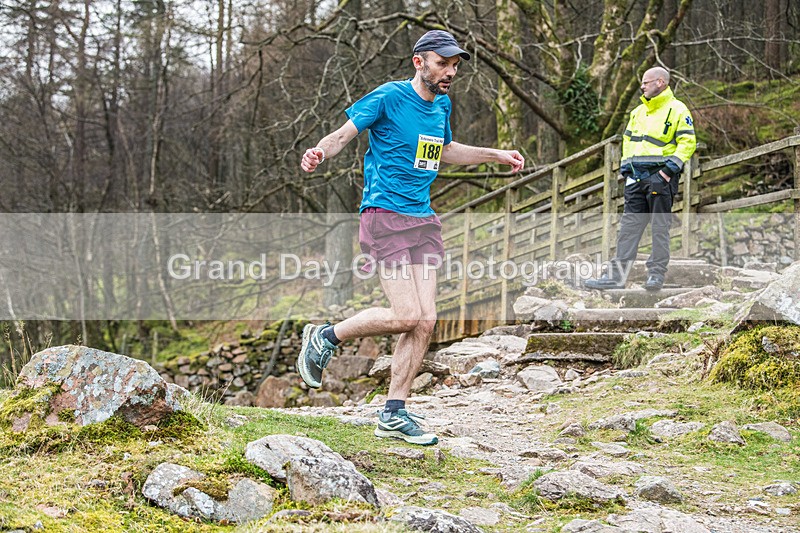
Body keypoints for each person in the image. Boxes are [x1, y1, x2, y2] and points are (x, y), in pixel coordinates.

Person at [298, 30, 525, 445]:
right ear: (419, 61)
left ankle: (394, 412)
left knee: (426, 319)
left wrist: (495, 155)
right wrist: (318, 152)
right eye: (444, 63)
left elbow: (445, 150)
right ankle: (325, 336)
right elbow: (343, 135)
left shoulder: (441, 106)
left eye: (455, 65)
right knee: (405, 314)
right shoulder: (387, 96)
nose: (451, 72)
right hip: (384, 215)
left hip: (423, 219)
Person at [584, 66, 696, 292]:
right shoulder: (637, 112)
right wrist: (626, 171)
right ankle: (616, 277)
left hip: (660, 178)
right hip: (635, 179)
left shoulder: (677, 109)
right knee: (628, 229)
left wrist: (666, 172)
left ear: (660, 83)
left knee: (659, 227)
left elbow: (688, 143)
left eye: (646, 82)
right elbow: (628, 142)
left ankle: (656, 275)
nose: (642, 86)